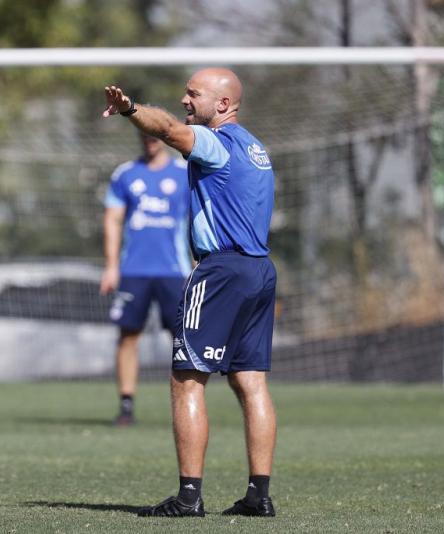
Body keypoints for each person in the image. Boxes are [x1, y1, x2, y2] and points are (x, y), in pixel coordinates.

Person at [102, 68, 277, 518]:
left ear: (223, 104)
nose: (184, 99)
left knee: (186, 379)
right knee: (251, 381)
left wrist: (130, 109)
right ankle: (259, 495)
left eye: (193, 94)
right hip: (259, 270)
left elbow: (166, 130)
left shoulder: (217, 144)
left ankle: (188, 497)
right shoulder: (257, 149)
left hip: (220, 271)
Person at [100, 133, 191, 426]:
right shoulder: (126, 174)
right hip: (133, 270)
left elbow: (200, 217)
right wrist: (112, 266)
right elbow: (113, 219)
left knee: (181, 338)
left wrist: (200, 262)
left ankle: (186, 402)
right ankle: (126, 405)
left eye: (155, 134)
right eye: (144, 134)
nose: (150, 140)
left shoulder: (183, 172)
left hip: (174, 271)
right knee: (128, 336)